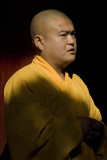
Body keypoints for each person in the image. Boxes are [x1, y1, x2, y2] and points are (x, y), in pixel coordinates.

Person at [4, 9, 107, 160]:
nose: (72, 41)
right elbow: (29, 138)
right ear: (40, 42)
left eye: (73, 34)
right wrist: (77, 127)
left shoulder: (77, 82)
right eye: (63, 34)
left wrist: (99, 130)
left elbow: (97, 125)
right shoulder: (23, 80)